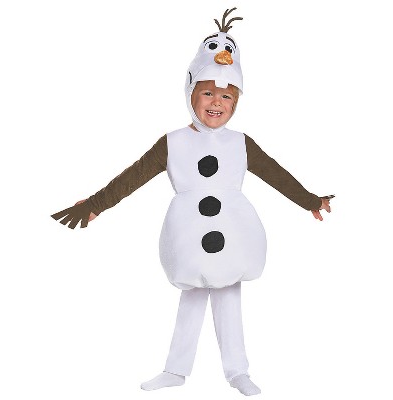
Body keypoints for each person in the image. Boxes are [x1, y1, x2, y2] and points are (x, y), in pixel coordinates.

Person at [52, 8, 332, 396]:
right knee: (192, 296)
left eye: (226, 95)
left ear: (236, 101)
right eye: (207, 93)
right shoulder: (172, 142)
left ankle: (237, 371)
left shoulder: (241, 143)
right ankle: (175, 370)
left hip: (233, 232)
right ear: (191, 94)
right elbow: (132, 177)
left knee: (230, 296)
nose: (216, 102)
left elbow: (275, 173)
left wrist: (309, 200)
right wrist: (94, 204)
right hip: (189, 233)